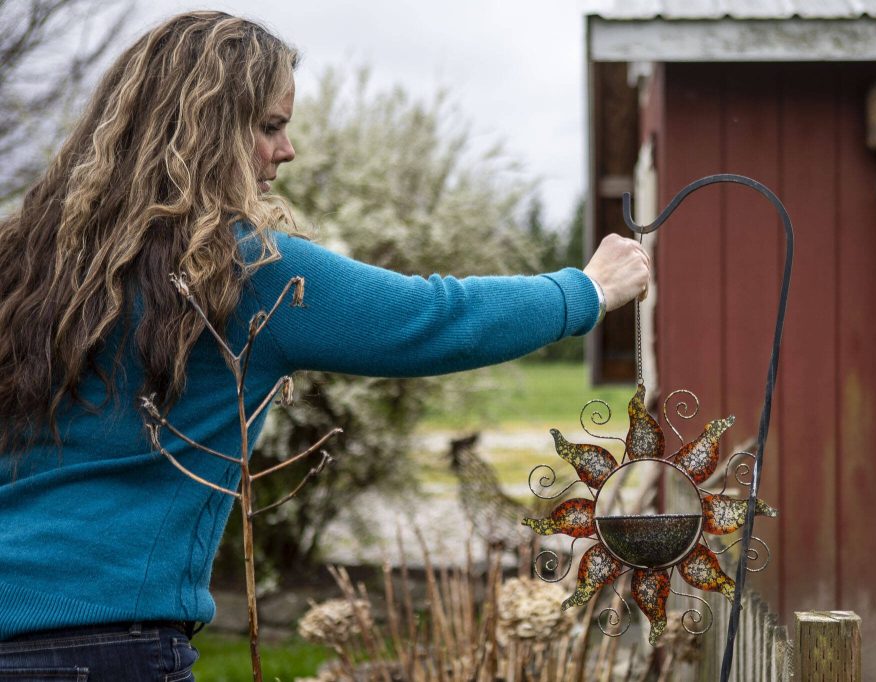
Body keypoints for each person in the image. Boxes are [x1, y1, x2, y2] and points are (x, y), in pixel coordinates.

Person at [0, 11, 650, 680]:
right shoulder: (239, 274)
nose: (286, 151)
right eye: (271, 126)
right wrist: (588, 290)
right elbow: (430, 318)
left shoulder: (27, 267)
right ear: (207, 132)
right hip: (107, 646)